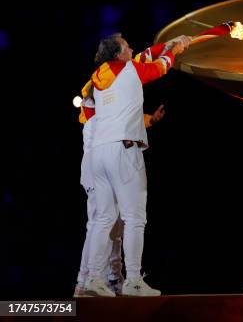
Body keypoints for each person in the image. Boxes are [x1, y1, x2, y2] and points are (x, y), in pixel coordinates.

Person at [83, 33, 190, 297]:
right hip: (124, 151)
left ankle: (93, 280)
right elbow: (161, 67)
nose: (132, 49)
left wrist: (166, 44)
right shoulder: (129, 70)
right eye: (127, 47)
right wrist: (174, 49)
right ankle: (132, 281)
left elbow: (145, 56)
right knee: (134, 218)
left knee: (104, 218)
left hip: (99, 153)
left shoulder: (100, 76)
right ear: (120, 54)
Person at [74, 101, 165, 297]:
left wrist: (150, 120)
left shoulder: (109, 112)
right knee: (100, 224)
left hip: (102, 167)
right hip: (98, 168)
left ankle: (113, 278)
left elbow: (128, 121)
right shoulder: (97, 114)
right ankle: (83, 283)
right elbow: (122, 124)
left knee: (114, 226)